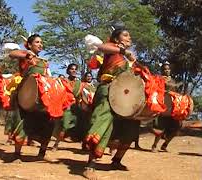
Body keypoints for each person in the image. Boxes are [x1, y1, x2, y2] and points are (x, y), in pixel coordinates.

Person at [82, 27, 137, 179]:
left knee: (131, 126)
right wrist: (122, 51)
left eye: (129, 36)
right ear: (116, 39)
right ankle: (90, 166)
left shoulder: (127, 58)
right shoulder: (112, 49)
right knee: (103, 122)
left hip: (123, 95)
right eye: (125, 35)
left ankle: (116, 160)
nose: (129, 38)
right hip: (107, 91)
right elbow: (101, 47)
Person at [8, 34, 73, 161]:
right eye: (37, 42)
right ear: (30, 44)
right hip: (26, 93)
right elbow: (12, 54)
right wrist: (26, 55)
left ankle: (42, 153)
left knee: (48, 122)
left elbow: (47, 77)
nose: (40, 44)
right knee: (23, 121)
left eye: (41, 42)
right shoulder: (25, 54)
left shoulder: (43, 61)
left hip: (42, 94)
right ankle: (17, 154)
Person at [151, 62, 182, 152]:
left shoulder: (172, 80)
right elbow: (157, 90)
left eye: (168, 69)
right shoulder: (159, 79)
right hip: (163, 106)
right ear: (162, 70)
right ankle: (154, 145)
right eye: (165, 69)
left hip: (173, 107)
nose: (167, 70)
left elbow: (175, 90)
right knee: (160, 128)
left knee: (177, 128)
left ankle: (164, 145)